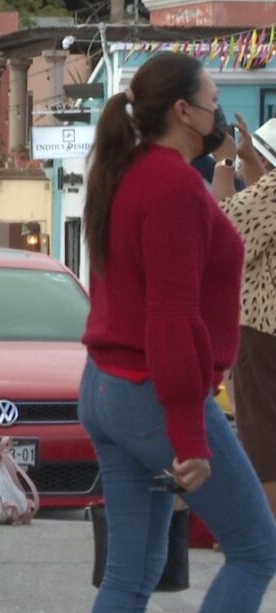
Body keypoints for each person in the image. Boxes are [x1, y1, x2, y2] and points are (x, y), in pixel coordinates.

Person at [79, 52, 276, 612]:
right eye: (214, 101)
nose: (222, 111)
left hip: (107, 386)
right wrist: (191, 436)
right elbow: (170, 319)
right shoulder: (171, 189)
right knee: (257, 549)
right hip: (154, 395)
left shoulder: (130, 172)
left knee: (129, 575)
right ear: (185, 111)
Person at [215, 117, 276, 519]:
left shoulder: (272, 192)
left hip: (262, 330)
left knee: (262, 435)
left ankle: (265, 532)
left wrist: (222, 165)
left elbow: (221, 228)